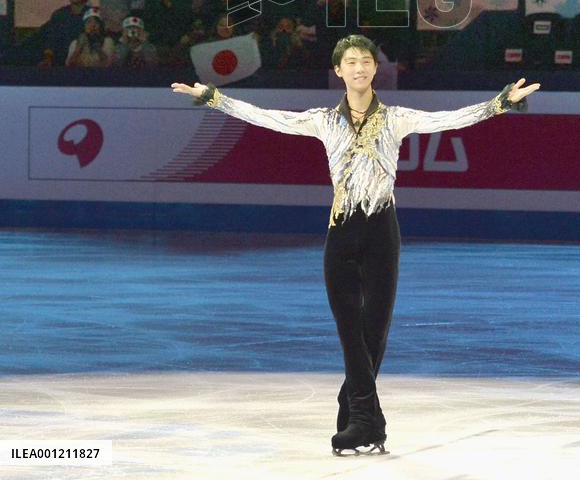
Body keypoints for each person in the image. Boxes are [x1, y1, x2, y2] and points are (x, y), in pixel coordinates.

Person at [171, 34, 540, 454]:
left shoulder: (396, 118)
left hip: (383, 231)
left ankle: (355, 411)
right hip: (342, 231)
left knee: (374, 331)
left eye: (366, 60)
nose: (360, 67)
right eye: (351, 61)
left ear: (374, 69)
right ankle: (366, 421)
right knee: (350, 330)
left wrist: (502, 101)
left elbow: (449, 119)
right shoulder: (322, 121)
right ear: (338, 71)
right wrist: (213, 97)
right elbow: (267, 117)